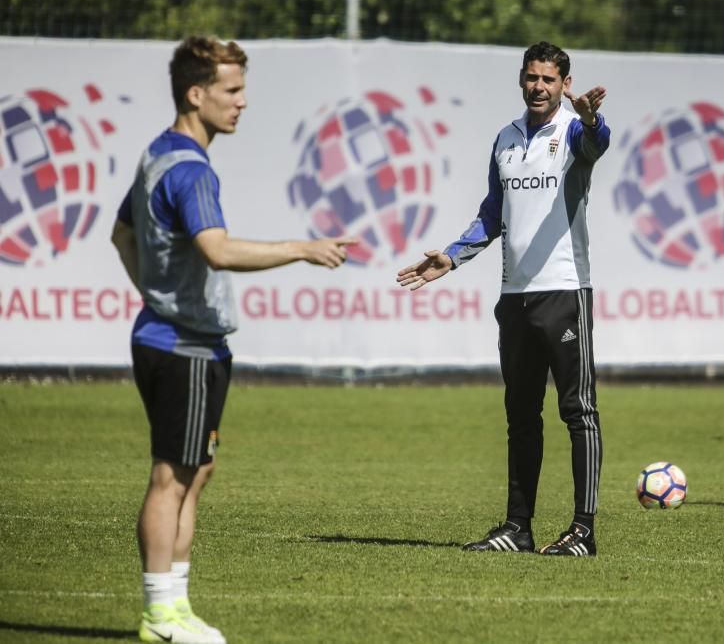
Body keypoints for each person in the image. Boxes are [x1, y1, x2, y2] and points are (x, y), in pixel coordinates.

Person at [111, 36, 355, 643]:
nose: (243, 102)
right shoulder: (191, 169)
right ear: (197, 94)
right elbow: (216, 250)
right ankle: (160, 613)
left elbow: (121, 235)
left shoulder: (159, 154)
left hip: (181, 339)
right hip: (183, 345)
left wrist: (157, 291)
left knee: (197, 470)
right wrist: (301, 247)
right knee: (173, 476)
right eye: (232, 90)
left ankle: (175, 605)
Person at [396, 41, 610, 556]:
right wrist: (451, 255)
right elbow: (494, 212)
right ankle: (519, 527)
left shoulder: (575, 131)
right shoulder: (505, 139)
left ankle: (584, 530)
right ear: (522, 80)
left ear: (564, 83)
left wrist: (592, 121)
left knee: (578, 410)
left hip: (564, 291)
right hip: (514, 298)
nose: (538, 86)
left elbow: (596, 143)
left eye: (548, 79)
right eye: (531, 77)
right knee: (520, 415)